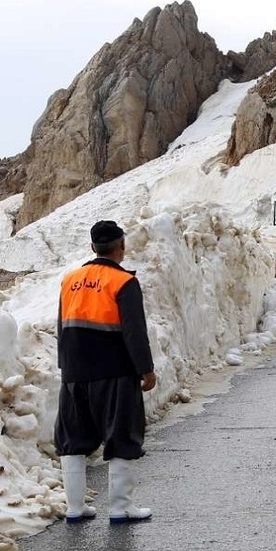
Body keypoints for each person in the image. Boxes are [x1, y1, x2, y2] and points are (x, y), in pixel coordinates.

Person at [55, 220, 157, 524]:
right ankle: (120, 507)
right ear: (121, 247)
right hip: (114, 370)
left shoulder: (70, 280)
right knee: (121, 434)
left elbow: (61, 326)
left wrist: (65, 367)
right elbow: (134, 332)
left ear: (92, 248)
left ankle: (75, 507)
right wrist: (146, 370)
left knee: (72, 437)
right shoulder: (123, 282)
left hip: (74, 372)